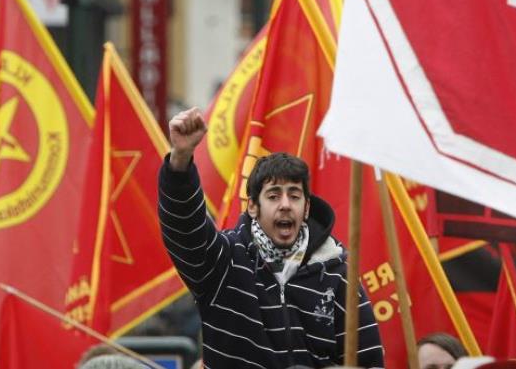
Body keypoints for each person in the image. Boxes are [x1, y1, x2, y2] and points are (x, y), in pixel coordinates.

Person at [158, 107, 384, 368]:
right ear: (252, 206)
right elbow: (184, 228)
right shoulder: (224, 263)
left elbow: (368, 361)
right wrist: (180, 159)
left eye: (295, 195)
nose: (286, 204)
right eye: (274, 195)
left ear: (307, 208)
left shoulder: (338, 273)